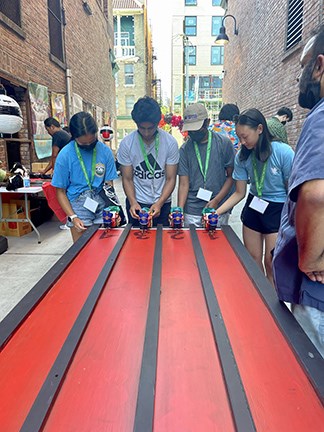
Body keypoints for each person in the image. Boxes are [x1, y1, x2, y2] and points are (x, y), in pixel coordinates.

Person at [273, 26, 324, 357]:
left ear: (320, 66)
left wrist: (310, 260)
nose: (300, 77)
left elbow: (316, 195)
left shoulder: (319, 119)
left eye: (305, 65)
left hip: (317, 287)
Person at [216, 108, 294, 284]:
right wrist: (217, 212)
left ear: (260, 129)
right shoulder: (242, 157)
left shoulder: (283, 152)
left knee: (271, 262)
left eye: (245, 137)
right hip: (253, 205)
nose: (242, 142)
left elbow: (292, 190)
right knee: (252, 259)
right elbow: (239, 192)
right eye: (239, 138)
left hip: (277, 208)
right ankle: (260, 297)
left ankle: (274, 306)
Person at [51, 112, 118, 243]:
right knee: (82, 249)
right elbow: (60, 192)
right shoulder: (65, 155)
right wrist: (73, 216)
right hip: (77, 202)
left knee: (105, 245)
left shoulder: (105, 152)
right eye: (83, 144)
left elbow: (109, 185)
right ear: (74, 137)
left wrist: (113, 209)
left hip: (101, 198)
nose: (88, 146)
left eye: (91, 142)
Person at [117, 96, 179, 226]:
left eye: (150, 128)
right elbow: (127, 179)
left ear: (157, 123)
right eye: (142, 128)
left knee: (162, 242)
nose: (146, 133)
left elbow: (171, 178)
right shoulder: (127, 144)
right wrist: (133, 202)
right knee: (137, 242)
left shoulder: (170, 142)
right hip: (137, 202)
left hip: (162, 202)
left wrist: (160, 203)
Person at [178, 103, 235, 227]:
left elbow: (231, 177)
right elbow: (183, 183)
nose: (193, 134)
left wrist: (217, 200)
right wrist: (180, 210)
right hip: (192, 211)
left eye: (197, 129)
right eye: (190, 130)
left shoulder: (224, 144)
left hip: (217, 209)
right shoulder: (184, 149)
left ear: (207, 122)